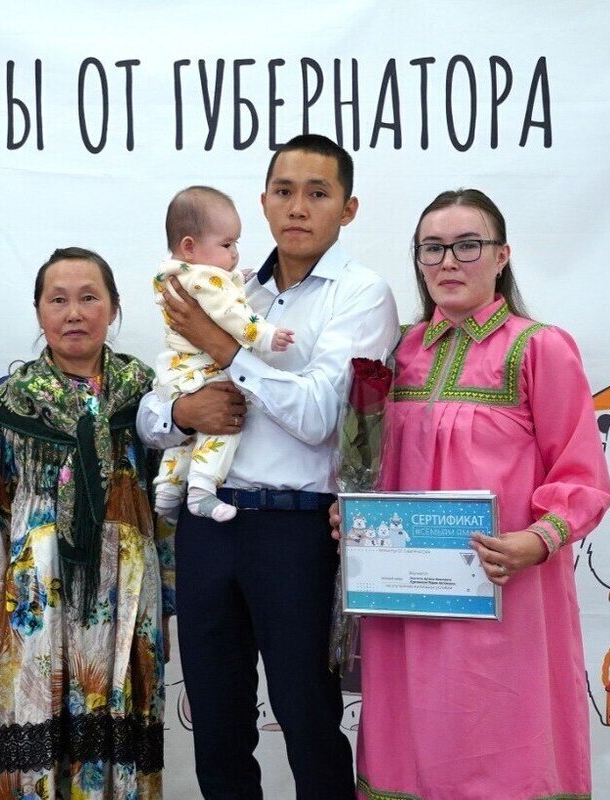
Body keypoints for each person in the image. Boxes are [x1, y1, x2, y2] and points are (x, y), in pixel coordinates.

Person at [139, 134, 399, 798]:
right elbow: (154, 412)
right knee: (217, 727)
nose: (298, 208)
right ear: (263, 202)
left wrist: (225, 350)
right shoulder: (231, 290)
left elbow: (318, 417)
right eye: (284, 191)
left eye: (318, 193)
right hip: (207, 528)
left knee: (308, 717)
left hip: (297, 532)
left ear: (349, 208)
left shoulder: (362, 294)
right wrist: (185, 413)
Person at [343, 188, 610, 800]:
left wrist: (536, 541)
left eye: (468, 245)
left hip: (506, 589)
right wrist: (356, 513)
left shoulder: (538, 347)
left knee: (499, 743)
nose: (448, 261)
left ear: (501, 256)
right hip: (405, 598)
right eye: (432, 248)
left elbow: (582, 475)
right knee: (410, 744)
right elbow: (371, 462)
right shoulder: (397, 352)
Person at [0, 247, 172, 799]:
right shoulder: (12, 402)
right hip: (39, 593)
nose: (74, 313)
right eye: (58, 300)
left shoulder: (148, 397)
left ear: (114, 307)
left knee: (120, 711)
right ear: (39, 311)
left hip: (128, 591)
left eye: (89, 298)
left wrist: (171, 594)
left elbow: (166, 499)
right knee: (37, 711)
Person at [151, 186, 294, 523]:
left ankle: (168, 489)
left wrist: (235, 280)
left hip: (176, 373)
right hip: (204, 371)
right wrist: (265, 335)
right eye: (227, 245)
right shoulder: (205, 279)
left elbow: (219, 296)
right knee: (223, 424)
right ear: (189, 247)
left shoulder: (175, 274)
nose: (235, 255)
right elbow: (232, 315)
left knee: (188, 438)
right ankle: (201, 490)